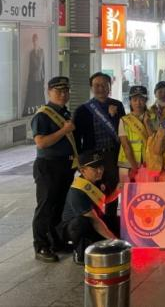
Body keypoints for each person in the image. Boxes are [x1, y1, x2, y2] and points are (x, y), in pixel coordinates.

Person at [31, 76, 77, 262]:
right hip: (48, 166)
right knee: (46, 207)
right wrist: (64, 131)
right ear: (49, 92)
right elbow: (41, 142)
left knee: (59, 206)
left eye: (65, 91)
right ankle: (41, 246)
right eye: (58, 91)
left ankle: (56, 242)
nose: (63, 94)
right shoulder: (42, 115)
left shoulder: (65, 113)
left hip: (65, 166)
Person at [73, 72, 125, 222]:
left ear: (110, 86)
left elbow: (124, 131)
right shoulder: (82, 110)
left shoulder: (118, 105)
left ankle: (111, 223)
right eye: (97, 85)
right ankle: (95, 224)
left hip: (112, 156)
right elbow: (76, 138)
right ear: (91, 87)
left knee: (113, 189)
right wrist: (79, 162)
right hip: (92, 158)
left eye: (104, 85)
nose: (101, 88)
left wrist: (113, 117)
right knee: (93, 191)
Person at [57, 151, 119, 265]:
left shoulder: (96, 181)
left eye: (101, 167)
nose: (99, 171)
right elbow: (95, 221)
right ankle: (79, 252)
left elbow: (105, 200)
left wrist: (118, 190)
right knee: (83, 222)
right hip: (75, 227)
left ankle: (98, 243)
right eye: (95, 169)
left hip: (94, 220)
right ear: (82, 170)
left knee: (118, 222)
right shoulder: (77, 190)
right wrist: (114, 240)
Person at [117, 85, 154, 183]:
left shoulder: (153, 118)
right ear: (130, 101)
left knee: (147, 191)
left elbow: (154, 141)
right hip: (128, 164)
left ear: (146, 100)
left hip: (148, 163)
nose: (138, 103)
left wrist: (147, 123)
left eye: (141, 99)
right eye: (135, 100)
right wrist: (134, 168)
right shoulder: (124, 120)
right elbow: (126, 146)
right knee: (129, 191)